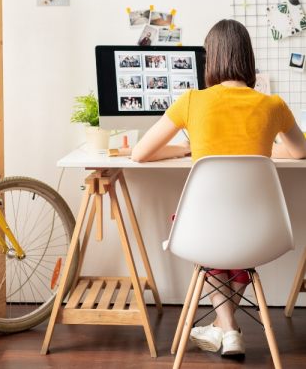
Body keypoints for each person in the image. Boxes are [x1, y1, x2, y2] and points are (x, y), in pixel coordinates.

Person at [131, 19, 306, 357]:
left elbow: (140, 153)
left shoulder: (193, 101)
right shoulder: (273, 105)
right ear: (248, 59)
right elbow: (301, 150)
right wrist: (268, 145)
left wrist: (186, 147)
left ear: (211, 59)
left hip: (202, 233)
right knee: (236, 234)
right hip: (259, 233)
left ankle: (225, 330)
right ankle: (228, 330)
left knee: (205, 229)